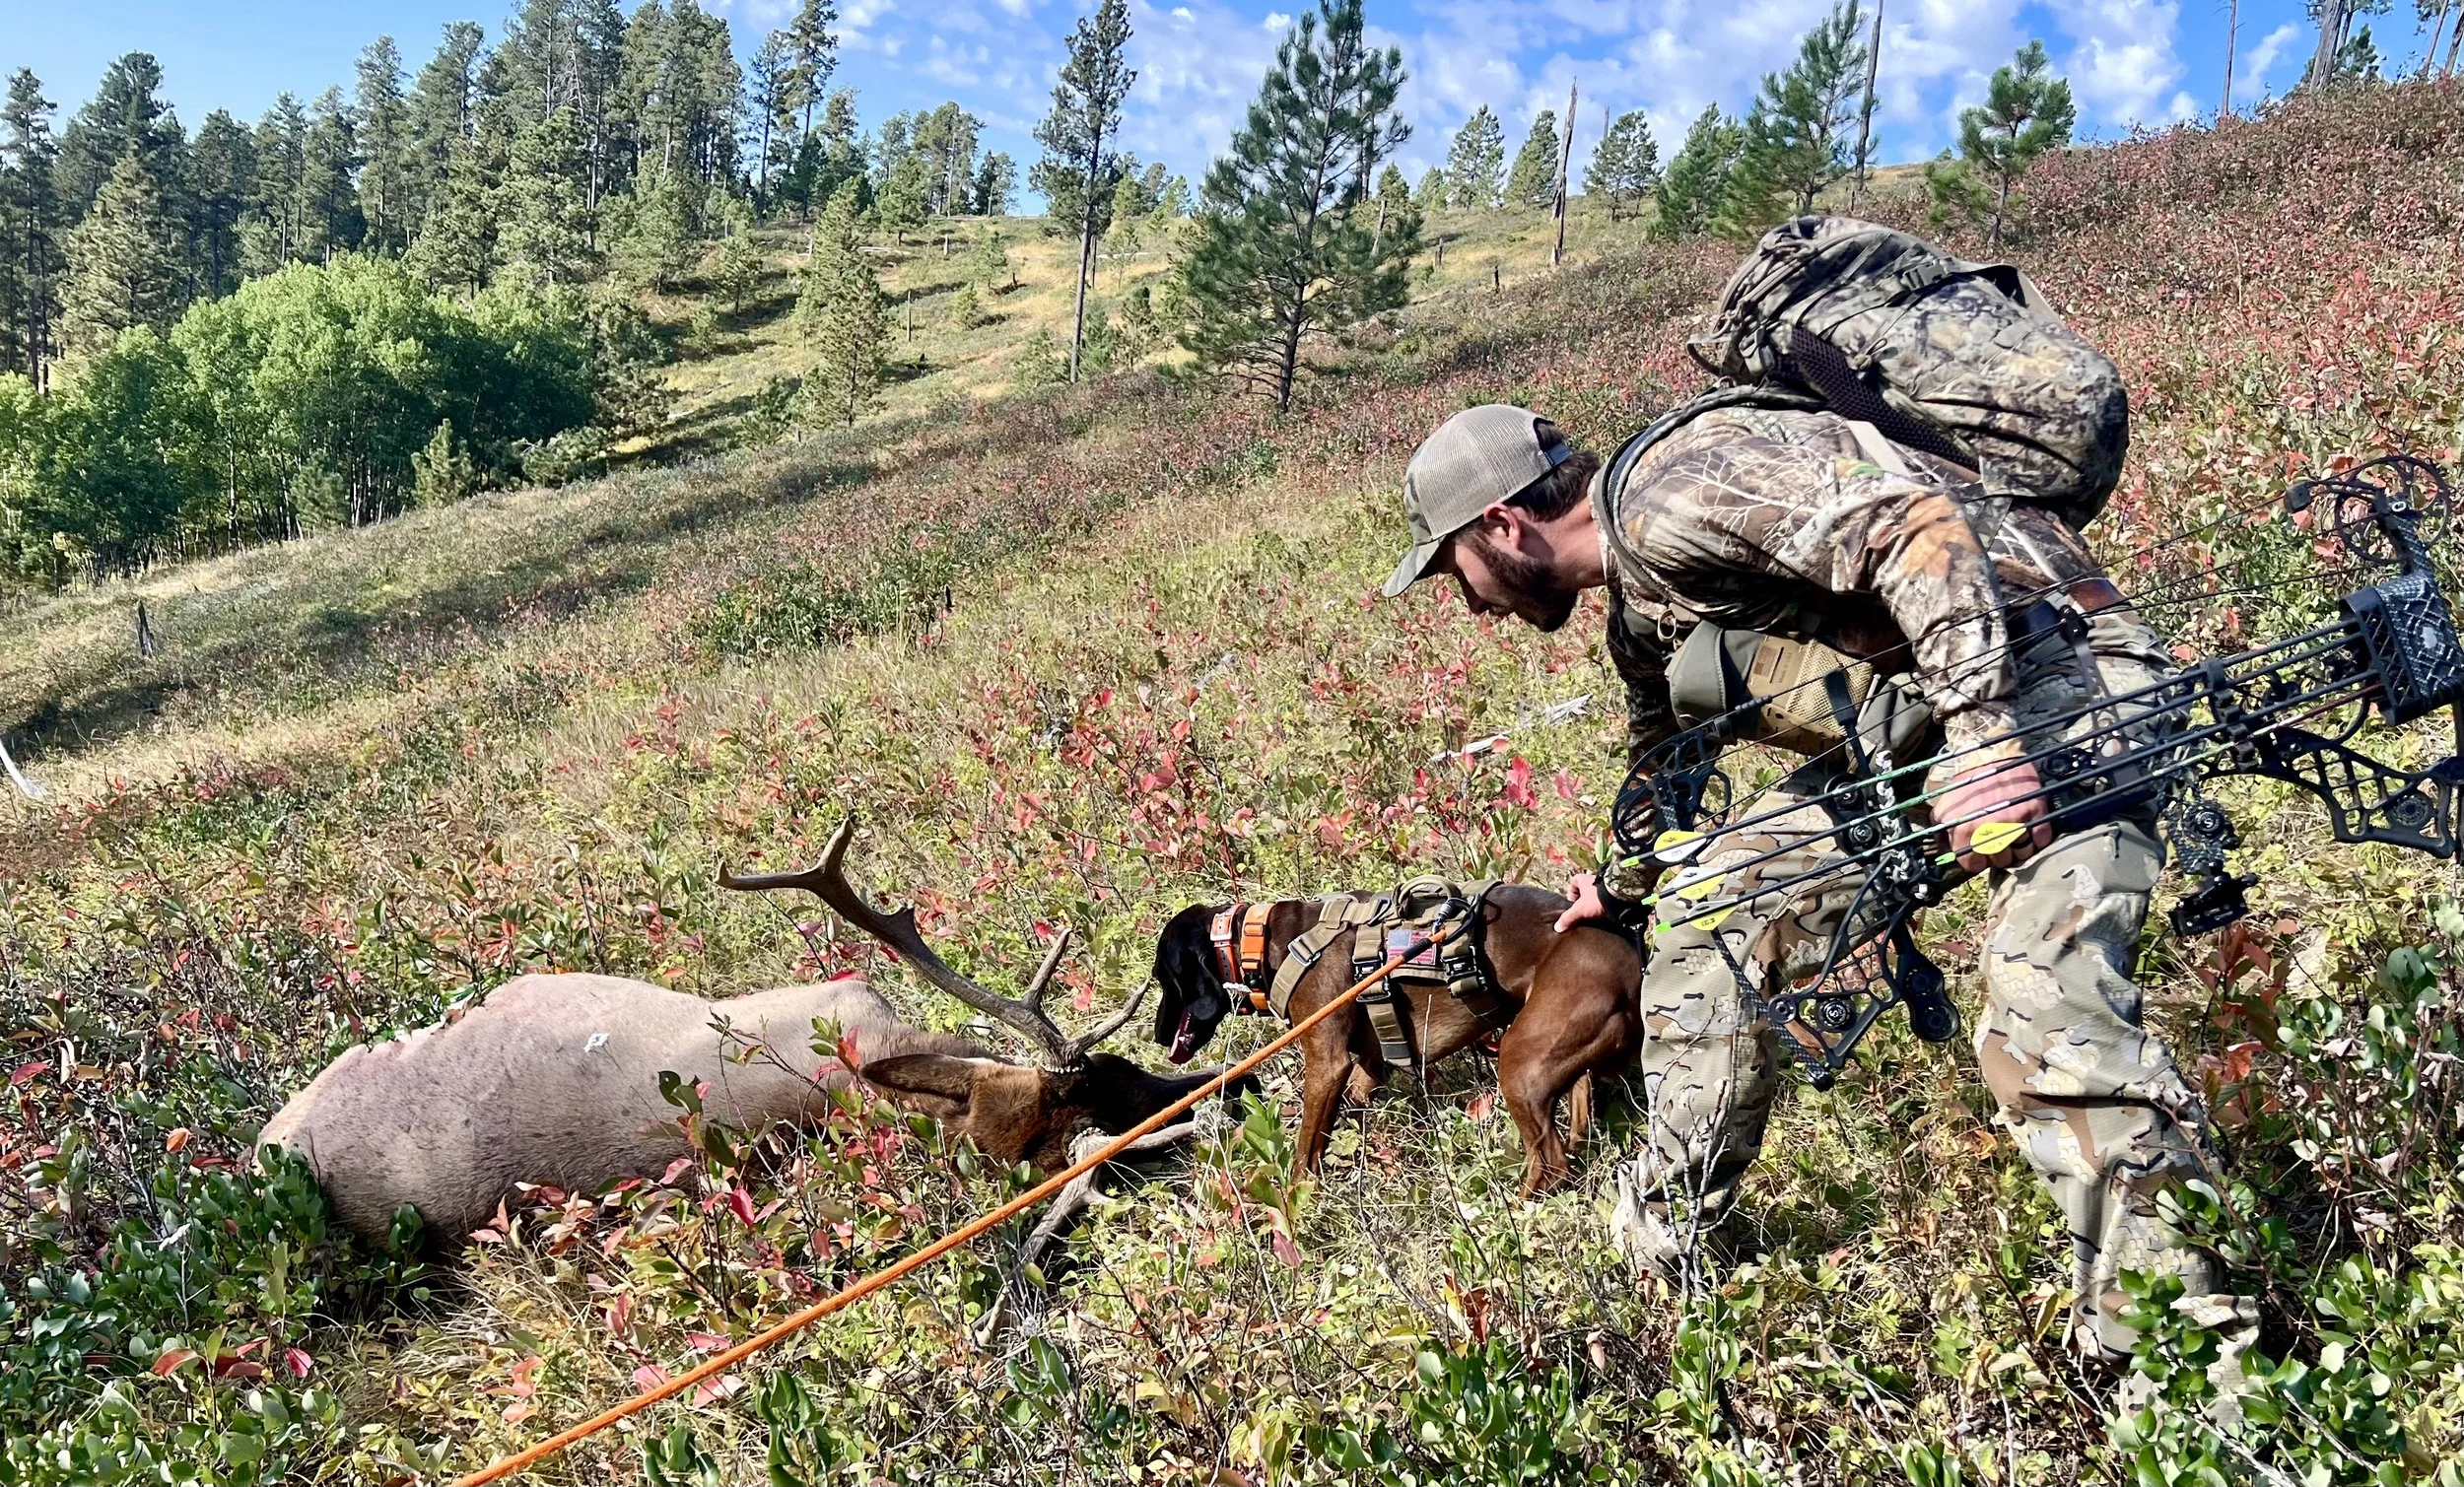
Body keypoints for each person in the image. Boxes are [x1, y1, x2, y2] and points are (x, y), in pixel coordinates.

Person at [1381, 397, 2254, 1372]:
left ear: (1500, 523)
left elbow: (1916, 529)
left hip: (2059, 688)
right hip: (1921, 735)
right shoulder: (1640, 605)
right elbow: (1663, 752)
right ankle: (1669, 1267)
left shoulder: (1673, 493)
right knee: (1710, 911)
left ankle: (2191, 1358)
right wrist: (1620, 888)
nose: (1467, 601)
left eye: (1451, 564)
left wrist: (1985, 742)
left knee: (2038, 1006)